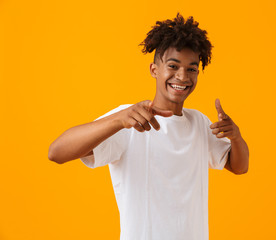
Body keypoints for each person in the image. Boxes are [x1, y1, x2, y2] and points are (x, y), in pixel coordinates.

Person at [48, 13, 249, 240]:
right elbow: (56, 152)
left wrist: (236, 137)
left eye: (192, 69)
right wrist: (116, 120)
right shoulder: (129, 118)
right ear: (154, 70)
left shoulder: (199, 122)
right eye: (173, 66)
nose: (182, 76)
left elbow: (239, 167)